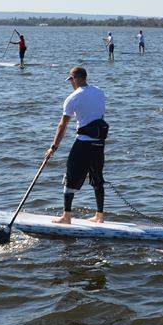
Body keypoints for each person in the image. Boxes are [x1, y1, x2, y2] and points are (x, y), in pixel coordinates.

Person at [43, 67, 108, 225]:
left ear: (77, 78)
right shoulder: (99, 92)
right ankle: (99, 216)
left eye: (71, 80)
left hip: (84, 144)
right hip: (99, 143)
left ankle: (66, 217)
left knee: (70, 178)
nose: (70, 83)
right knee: (98, 178)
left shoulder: (73, 98)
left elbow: (62, 125)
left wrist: (53, 147)